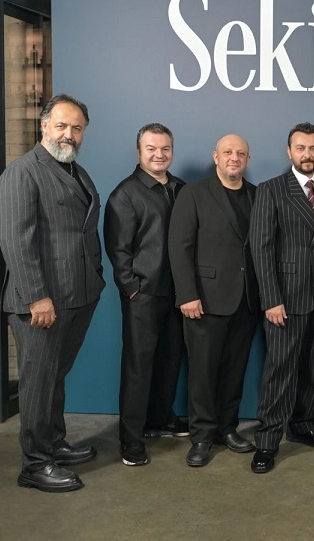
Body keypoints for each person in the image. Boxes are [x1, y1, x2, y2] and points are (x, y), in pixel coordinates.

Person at [0, 94, 105, 492]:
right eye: (61, 125)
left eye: (77, 128)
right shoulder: (22, 173)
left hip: (77, 295)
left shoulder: (75, 170)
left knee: (55, 377)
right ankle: (35, 463)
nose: (68, 134)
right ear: (43, 126)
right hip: (41, 302)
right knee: (38, 382)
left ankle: (54, 444)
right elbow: (16, 241)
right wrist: (36, 297)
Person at [248, 122, 314, 474]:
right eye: (300, 148)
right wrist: (271, 299)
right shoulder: (271, 189)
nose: (307, 154)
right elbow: (261, 247)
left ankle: (303, 424)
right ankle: (267, 440)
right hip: (285, 298)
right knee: (281, 369)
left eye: (313, 148)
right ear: (289, 151)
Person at [168, 134, 260, 467]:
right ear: (216, 157)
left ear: (247, 159)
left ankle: (227, 428)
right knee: (202, 373)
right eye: (228, 152)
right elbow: (179, 247)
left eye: (240, 153)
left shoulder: (257, 195)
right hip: (204, 300)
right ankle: (202, 436)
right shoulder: (193, 193)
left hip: (246, 300)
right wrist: (187, 295)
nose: (234, 157)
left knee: (234, 371)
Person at [104, 123, 188, 467]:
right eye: (151, 148)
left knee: (170, 360)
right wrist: (132, 289)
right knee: (138, 368)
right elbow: (118, 250)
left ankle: (160, 418)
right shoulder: (124, 195)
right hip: (144, 295)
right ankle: (131, 439)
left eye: (165, 148)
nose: (159, 154)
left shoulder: (180, 189)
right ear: (139, 152)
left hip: (177, 294)